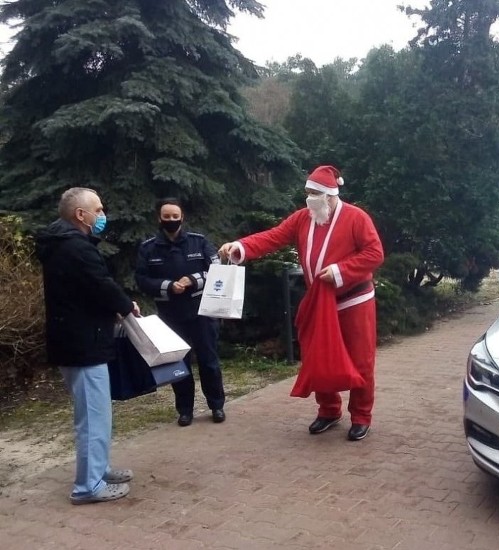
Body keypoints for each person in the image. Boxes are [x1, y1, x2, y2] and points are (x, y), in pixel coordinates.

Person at [218, 165, 384, 441]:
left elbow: (374, 253)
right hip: (320, 301)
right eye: (307, 193)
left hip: (354, 300)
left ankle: (361, 415)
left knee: (361, 360)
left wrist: (340, 271)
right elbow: (273, 236)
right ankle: (329, 410)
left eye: (315, 193)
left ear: (330, 195)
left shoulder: (356, 218)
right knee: (319, 356)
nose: (310, 199)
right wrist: (241, 247)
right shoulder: (303, 218)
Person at [35, 187, 140, 505]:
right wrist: (125, 305)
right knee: (94, 417)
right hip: (83, 344)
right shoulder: (76, 247)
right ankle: (88, 486)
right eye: (98, 209)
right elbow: (100, 285)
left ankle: (99, 469)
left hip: (75, 340)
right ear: (80, 215)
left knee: (94, 413)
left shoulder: (60, 244)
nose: (102, 215)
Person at [135, 198, 226, 427]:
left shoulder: (199, 242)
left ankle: (217, 406)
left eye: (176, 217)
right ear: (159, 218)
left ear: (182, 217)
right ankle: (185, 410)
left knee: (209, 362)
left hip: (202, 313)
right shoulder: (148, 248)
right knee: (179, 365)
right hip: (170, 316)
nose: (172, 221)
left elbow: (217, 270)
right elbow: (142, 279)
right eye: (167, 217)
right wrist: (167, 285)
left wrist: (193, 280)